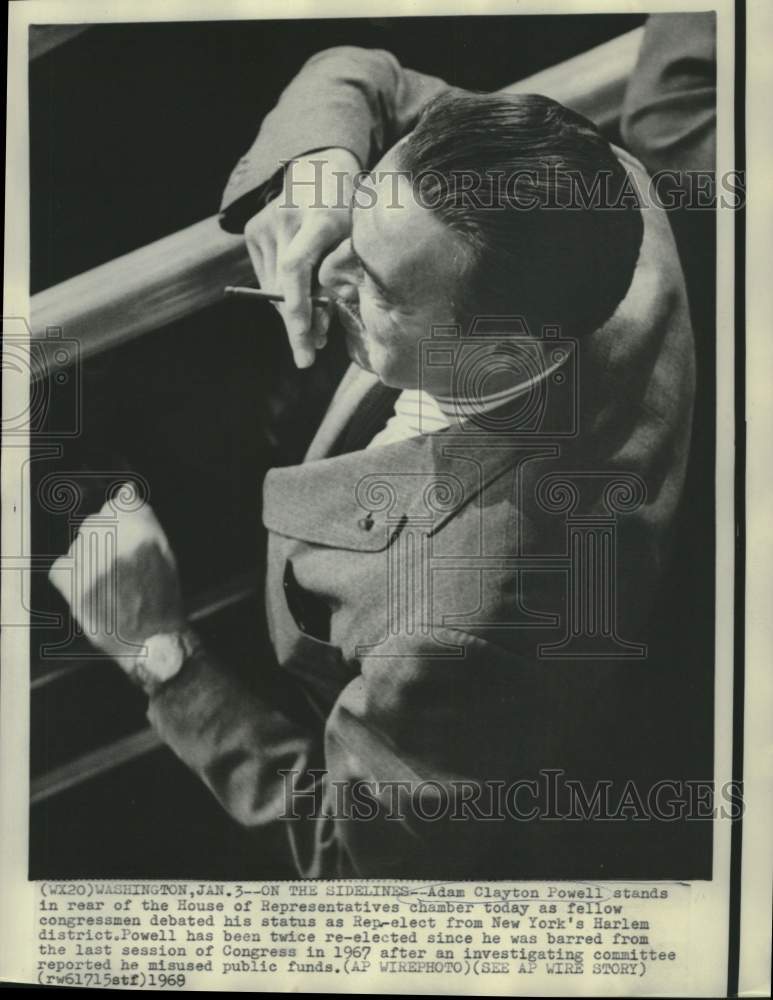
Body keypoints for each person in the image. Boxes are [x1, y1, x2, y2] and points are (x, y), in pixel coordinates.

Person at [50, 48, 696, 878]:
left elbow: (351, 863)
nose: (326, 265)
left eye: (380, 285)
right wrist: (324, 178)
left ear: (499, 355)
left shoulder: (459, 630)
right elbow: (365, 76)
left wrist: (162, 653)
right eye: (360, 217)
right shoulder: (597, 186)